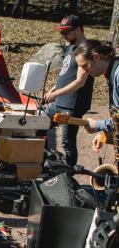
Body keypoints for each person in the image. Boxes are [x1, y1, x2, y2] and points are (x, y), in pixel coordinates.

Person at [42, 15, 93, 166]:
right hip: (59, 101)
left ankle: (68, 176)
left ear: (78, 30)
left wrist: (55, 94)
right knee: (39, 125)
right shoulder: (70, 47)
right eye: (61, 32)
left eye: (66, 32)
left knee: (67, 142)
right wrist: (53, 89)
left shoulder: (86, 50)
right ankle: (47, 163)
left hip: (72, 105)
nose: (63, 35)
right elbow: (66, 74)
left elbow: (79, 82)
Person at [76, 40, 119, 155]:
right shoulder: (113, 71)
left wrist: (97, 125)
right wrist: (105, 133)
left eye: (85, 66)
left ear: (95, 57)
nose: (83, 71)